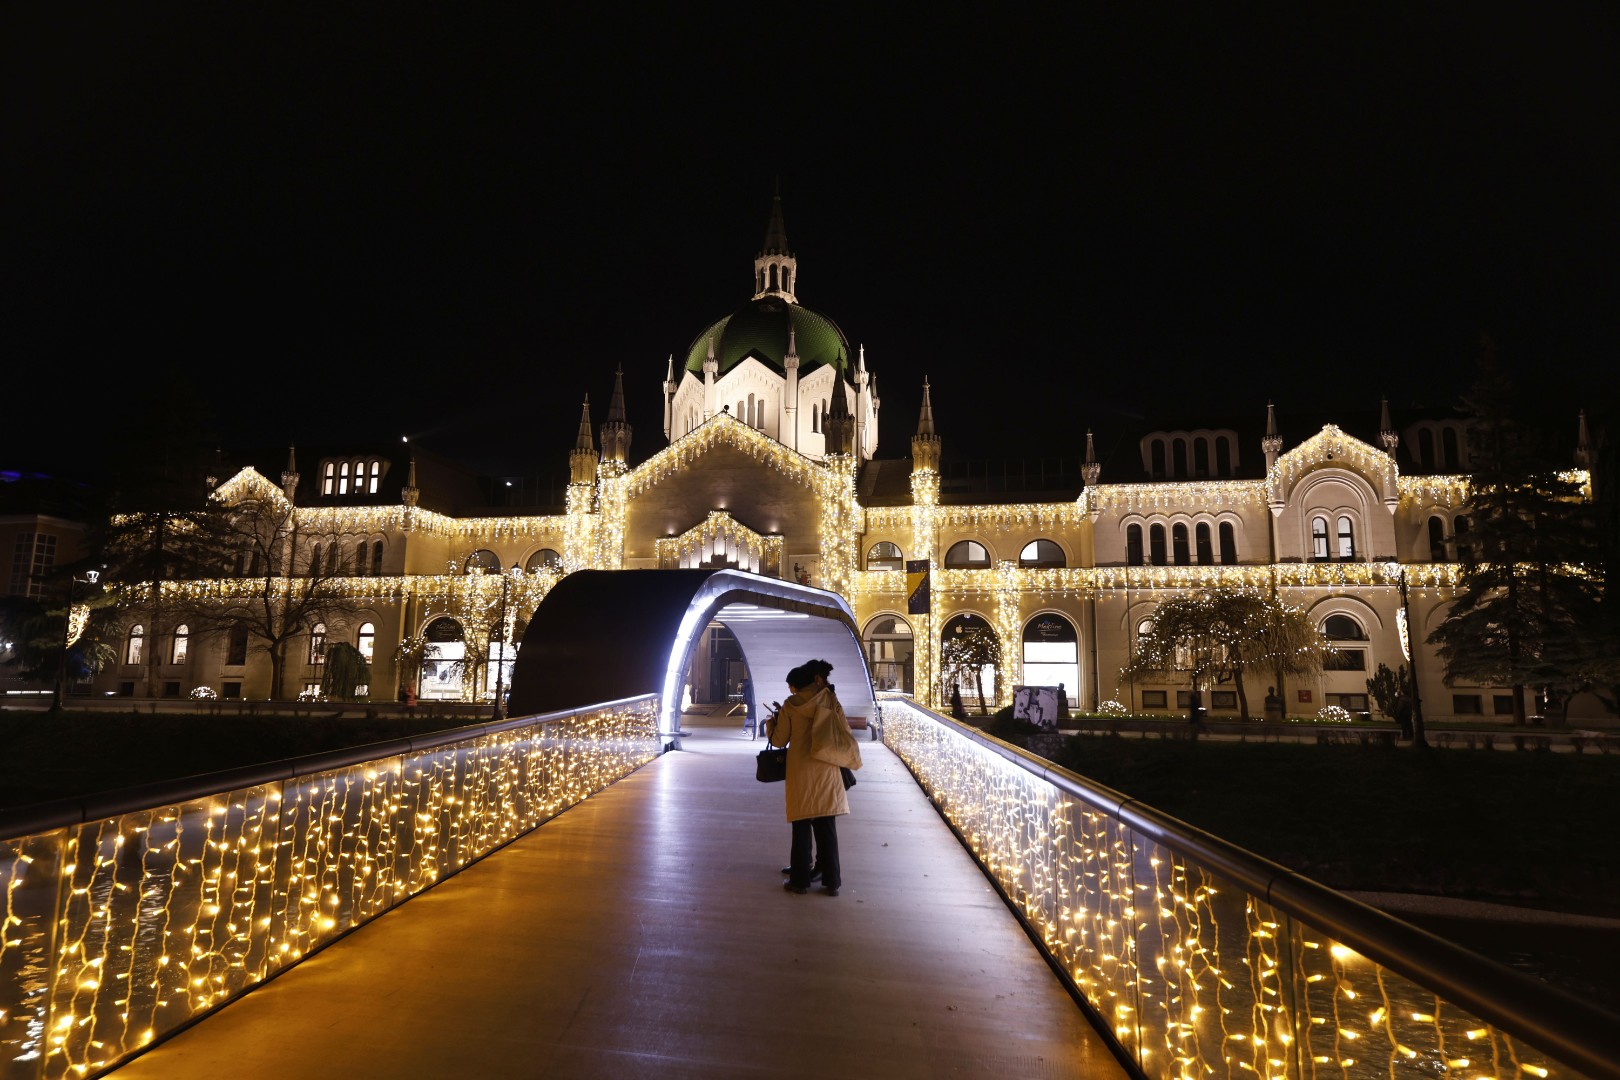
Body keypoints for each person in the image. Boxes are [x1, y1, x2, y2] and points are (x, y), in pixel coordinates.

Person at [768, 660, 852, 897]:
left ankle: (800, 881)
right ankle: (832, 882)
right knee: (827, 827)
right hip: (826, 768)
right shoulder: (829, 699)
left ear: (797, 684)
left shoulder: (791, 704)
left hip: (801, 771)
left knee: (802, 824)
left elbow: (779, 740)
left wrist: (771, 724)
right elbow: (844, 729)